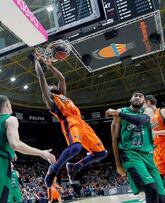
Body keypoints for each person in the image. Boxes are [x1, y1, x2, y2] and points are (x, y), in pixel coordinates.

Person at [33, 50, 107, 187]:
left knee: (102, 153)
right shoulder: (50, 99)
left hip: (82, 123)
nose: (52, 84)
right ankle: (54, 169)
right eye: (49, 85)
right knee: (76, 148)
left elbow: (62, 78)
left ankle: (74, 167)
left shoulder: (63, 95)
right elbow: (41, 78)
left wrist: (49, 64)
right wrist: (37, 61)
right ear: (48, 90)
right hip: (69, 122)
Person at [0, 95, 56, 203]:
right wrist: (41, 152)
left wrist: (12, 152)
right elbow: (15, 144)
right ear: (7, 104)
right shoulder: (11, 119)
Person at [106, 91, 165, 203]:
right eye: (135, 95)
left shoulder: (147, 111)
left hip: (149, 156)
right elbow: (114, 140)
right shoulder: (121, 111)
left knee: (162, 197)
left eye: (140, 96)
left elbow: (141, 121)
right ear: (130, 99)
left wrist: (117, 113)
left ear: (144, 101)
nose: (138, 97)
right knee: (151, 189)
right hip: (131, 155)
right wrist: (118, 165)